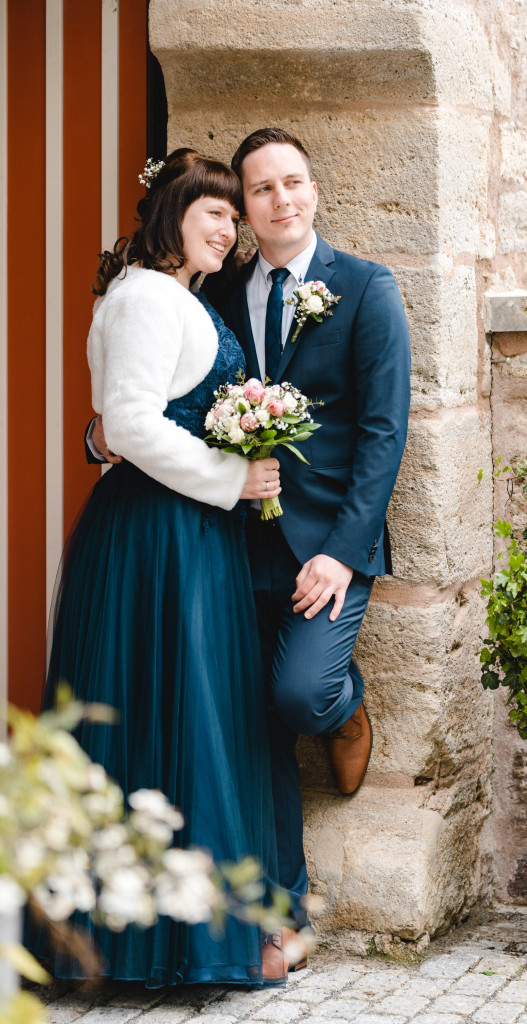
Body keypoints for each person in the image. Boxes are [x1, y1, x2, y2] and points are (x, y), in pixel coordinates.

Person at [93, 128, 412, 955]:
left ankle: (345, 709)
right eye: (258, 191)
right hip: (227, 542)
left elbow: (383, 435)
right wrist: (103, 439)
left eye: (292, 183)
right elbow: (155, 399)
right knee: (250, 727)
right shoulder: (213, 290)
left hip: (327, 551)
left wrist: (341, 552)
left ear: (313, 191)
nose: (278, 202)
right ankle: (281, 910)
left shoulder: (366, 289)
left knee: (297, 697)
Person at [29, 148, 287, 987]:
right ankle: (164, 945)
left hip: (184, 529)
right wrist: (234, 477)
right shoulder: (146, 295)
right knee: (167, 717)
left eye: (231, 215)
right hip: (158, 535)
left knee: (186, 713)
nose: (229, 227)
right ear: (173, 212)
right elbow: (129, 424)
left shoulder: (171, 295)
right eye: (214, 212)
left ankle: (185, 932)